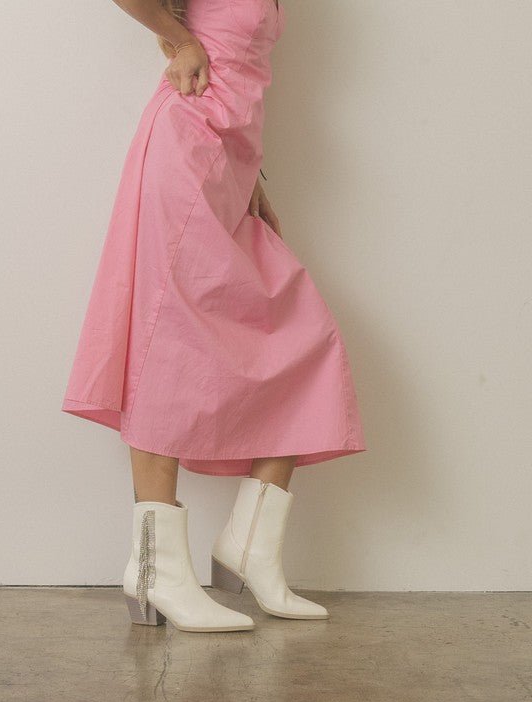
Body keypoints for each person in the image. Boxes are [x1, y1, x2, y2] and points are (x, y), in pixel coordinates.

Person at [61, 0, 366, 632]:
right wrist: (180, 39)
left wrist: (253, 180)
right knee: (166, 349)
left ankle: (251, 547)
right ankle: (155, 571)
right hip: (185, 148)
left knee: (306, 338)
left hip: (230, 165)